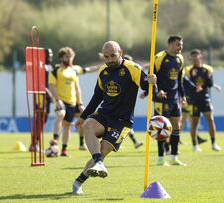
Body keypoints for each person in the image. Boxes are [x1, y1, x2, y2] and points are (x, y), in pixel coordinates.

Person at [72, 41, 157, 195]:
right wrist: (83, 116)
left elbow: (148, 88)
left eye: (113, 55)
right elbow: (97, 97)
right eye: (106, 56)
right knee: (88, 126)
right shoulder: (103, 71)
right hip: (104, 114)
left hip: (122, 122)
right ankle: (99, 163)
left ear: (121, 52)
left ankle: (78, 181)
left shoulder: (133, 68)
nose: (110, 59)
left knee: (103, 150)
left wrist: (153, 83)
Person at [151, 35, 187, 166]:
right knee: (160, 127)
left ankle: (174, 157)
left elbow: (180, 79)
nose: (180, 47)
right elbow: (151, 78)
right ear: (170, 44)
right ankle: (161, 159)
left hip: (175, 99)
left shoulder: (180, 59)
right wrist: (157, 91)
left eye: (181, 45)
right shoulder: (159, 58)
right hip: (162, 99)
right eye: (178, 44)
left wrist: (182, 96)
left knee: (177, 126)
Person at [48, 47, 84, 157]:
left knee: (67, 126)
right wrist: (57, 100)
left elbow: (77, 88)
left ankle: (64, 149)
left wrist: (80, 103)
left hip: (72, 102)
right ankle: (55, 139)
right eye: (67, 57)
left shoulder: (73, 71)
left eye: (71, 57)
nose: (69, 59)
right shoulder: (56, 71)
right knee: (60, 114)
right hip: (61, 101)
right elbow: (52, 86)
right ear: (61, 58)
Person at [183, 49, 222, 152]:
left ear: (201, 57)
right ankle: (195, 145)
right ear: (191, 58)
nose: (195, 58)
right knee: (194, 122)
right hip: (193, 99)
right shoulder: (188, 70)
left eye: (197, 56)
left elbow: (209, 84)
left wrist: (211, 81)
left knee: (210, 119)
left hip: (205, 98)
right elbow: (185, 84)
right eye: (193, 56)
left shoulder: (208, 69)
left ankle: (214, 143)